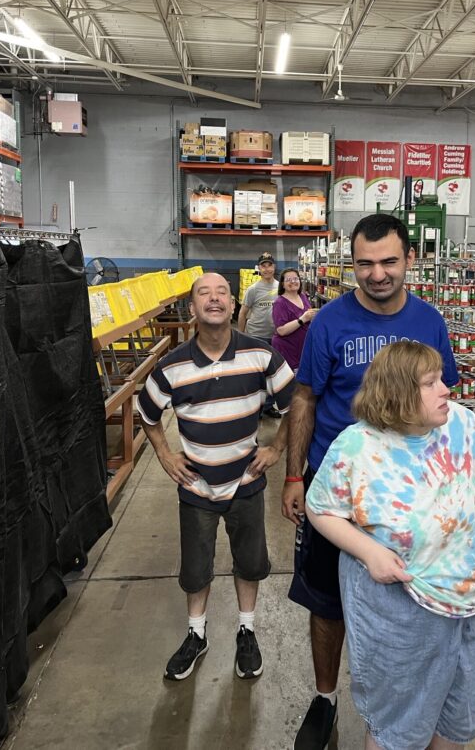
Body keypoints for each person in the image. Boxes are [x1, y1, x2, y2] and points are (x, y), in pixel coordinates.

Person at [305, 341, 475, 750]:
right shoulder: (357, 446)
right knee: (396, 725)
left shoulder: (457, 422)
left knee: (457, 716)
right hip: (400, 607)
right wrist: (370, 553)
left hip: (469, 599)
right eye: (430, 383)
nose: (446, 390)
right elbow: (322, 509)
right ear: (397, 393)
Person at [282, 213, 459, 750]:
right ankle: (325, 698)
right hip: (338, 491)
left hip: (410, 494)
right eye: (365, 263)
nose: (377, 273)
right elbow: (305, 398)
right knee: (327, 599)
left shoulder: (430, 322)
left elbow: (445, 404)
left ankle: (406, 700)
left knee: (410, 599)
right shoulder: (329, 322)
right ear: (351, 263)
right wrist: (294, 475)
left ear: (410, 260)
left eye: (388, 261)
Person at [136, 272, 295, 683]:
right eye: (203, 293)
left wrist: (276, 448)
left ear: (232, 304)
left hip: (246, 483)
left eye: (222, 292)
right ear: (192, 308)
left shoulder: (262, 356)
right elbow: (148, 415)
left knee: (250, 562)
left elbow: (296, 406)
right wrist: (165, 455)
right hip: (196, 487)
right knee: (195, 569)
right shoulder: (171, 367)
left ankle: (247, 629)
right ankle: (197, 634)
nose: (214, 299)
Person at [239, 252, 281, 417]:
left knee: (272, 374)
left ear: (274, 267)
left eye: (269, 265)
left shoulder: (280, 288)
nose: (267, 268)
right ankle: (255, 408)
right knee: (256, 375)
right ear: (259, 268)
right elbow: (242, 314)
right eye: (263, 265)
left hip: (276, 337)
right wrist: (240, 337)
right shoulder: (253, 290)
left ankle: (268, 406)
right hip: (256, 336)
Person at [271, 268, 318, 371]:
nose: (293, 281)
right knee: (292, 384)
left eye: (296, 278)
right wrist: (302, 319)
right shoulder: (280, 303)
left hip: (302, 349)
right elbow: (281, 330)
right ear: (282, 284)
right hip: (288, 351)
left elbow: (308, 316)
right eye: (288, 279)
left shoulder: (303, 296)